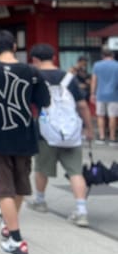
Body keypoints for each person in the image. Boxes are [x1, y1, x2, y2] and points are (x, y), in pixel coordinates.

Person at [0, 29, 50, 254]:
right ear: (15, 47)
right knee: (19, 185)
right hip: (25, 135)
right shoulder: (32, 71)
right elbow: (44, 101)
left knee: (2, 188)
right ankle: (9, 224)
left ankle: (16, 238)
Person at [28, 43, 94, 226]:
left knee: (41, 168)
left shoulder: (35, 78)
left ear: (35, 60)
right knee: (75, 172)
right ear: (54, 58)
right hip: (71, 132)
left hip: (45, 131)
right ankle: (81, 211)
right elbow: (82, 105)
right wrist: (89, 128)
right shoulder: (69, 78)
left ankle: (40, 201)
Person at [90, 47, 118, 146]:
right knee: (112, 116)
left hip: (100, 94)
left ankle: (101, 137)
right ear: (112, 55)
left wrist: (92, 93)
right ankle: (112, 138)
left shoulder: (97, 65)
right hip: (114, 94)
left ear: (102, 55)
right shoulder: (117, 65)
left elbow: (94, 80)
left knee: (100, 116)